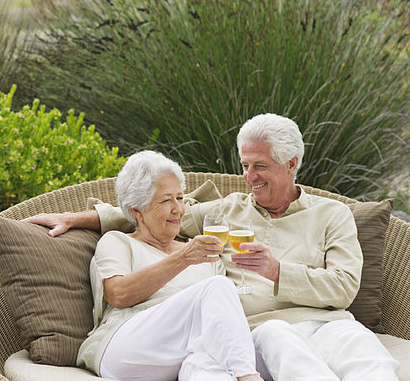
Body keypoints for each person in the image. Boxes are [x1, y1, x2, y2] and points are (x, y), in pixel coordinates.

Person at [26, 114, 400, 380]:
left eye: (260, 167)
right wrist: (80, 218)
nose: (248, 177)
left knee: (371, 362)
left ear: (292, 163)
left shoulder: (333, 215)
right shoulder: (225, 210)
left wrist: (277, 271)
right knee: (280, 341)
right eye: (245, 165)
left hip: (330, 323)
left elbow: (345, 287)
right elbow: (153, 213)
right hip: (261, 330)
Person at [75, 150, 263, 381]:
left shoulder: (202, 254)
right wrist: (183, 258)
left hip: (182, 355)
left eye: (180, 198)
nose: (178, 209)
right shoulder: (118, 241)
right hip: (125, 349)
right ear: (137, 211)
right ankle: (249, 377)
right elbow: (118, 294)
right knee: (218, 286)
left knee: (207, 366)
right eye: (166, 200)